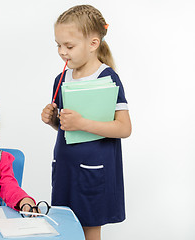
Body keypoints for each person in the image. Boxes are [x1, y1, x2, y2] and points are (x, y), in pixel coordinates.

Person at [41, 5, 132, 240]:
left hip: (94, 169)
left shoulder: (108, 78)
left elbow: (124, 128)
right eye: (58, 45)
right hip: (65, 169)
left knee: (89, 229)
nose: (62, 52)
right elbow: (65, 128)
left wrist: (82, 122)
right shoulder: (60, 79)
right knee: (65, 225)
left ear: (93, 43)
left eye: (69, 46)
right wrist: (53, 120)